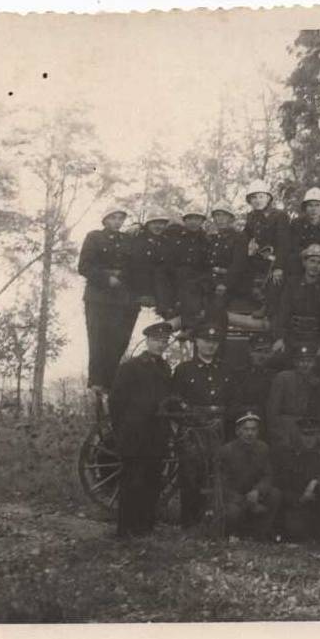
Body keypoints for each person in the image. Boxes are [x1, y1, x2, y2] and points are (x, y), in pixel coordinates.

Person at [109, 322, 174, 538]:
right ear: (147, 341)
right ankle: (125, 529)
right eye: (156, 340)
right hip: (135, 435)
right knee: (132, 481)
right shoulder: (131, 367)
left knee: (152, 480)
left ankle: (145, 526)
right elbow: (116, 403)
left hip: (157, 434)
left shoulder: (165, 368)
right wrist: (122, 432)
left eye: (164, 341)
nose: (160, 345)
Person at [171, 323, 235, 528]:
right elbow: (174, 400)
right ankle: (189, 523)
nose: (210, 345)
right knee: (191, 475)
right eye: (206, 341)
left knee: (218, 474)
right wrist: (188, 421)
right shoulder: (183, 370)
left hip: (219, 428)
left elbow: (233, 400)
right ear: (196, 342)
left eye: (214, 342)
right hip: (193, 430)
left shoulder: (225, 369)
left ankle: (216, 521)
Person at [78, 206, 139, 393]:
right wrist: (106, 278)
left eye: (121, 218)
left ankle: (110, 382)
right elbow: (84, 266)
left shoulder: (128, 239)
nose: (117, 222)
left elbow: (135, 264)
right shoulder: (94, 237)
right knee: (98, 339)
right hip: (99, 297)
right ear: (105, 220)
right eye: (113, 218)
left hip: (122, 298)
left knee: (120, 341)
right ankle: (97, 382)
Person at [209, 410, 281, 540]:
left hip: (254, 495)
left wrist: (258, 490)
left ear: (258, 431)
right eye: (246, 429)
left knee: (275, 494)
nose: (250, 433)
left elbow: (268, 475)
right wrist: (245, 501)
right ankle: (234, 533)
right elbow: (221, 484)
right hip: (233, 498)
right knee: (233, 512)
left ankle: (259, 533)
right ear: (238, 431)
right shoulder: (226, 451)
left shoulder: (263, 448)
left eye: (253, 429)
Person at [272, 417, 320, 541]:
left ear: (319, 435)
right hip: (298, 503)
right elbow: (281, 485)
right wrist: (300, 499)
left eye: (312, 434)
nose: (308, 439)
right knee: (295, 531)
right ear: (298, 435)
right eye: (305, 434)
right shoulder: (289, 454)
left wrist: (317, 482)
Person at [272, 243, 320, 354]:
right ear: (304, 263)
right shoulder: (292, 284)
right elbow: (283, 313)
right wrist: (280, 338)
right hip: (292, 338)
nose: (315, 266)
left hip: (316, 340)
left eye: (319, 263)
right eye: (312, 261)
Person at [242, 180, 291, 312]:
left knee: (276, 283)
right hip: (258, 259)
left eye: (261, 196)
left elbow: (284, 244)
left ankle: (269, 310)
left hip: (275, 260)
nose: (257, 200)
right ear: (249, 200)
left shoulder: (279, 216)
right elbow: (244, 238)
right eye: (253, 197)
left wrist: (279, 267)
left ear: (268, 198)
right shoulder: (251, 217)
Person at [267, 343, 320, 448]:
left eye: (309, 361)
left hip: (307, 430)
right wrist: (277, 434)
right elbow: (272, 410)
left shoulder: (316, 382)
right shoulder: (283, 378)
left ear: (314, 363)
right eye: (301, 361)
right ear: (295, 362)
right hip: (285, 429)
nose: (305, 365)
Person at [166, 204, 211, 328]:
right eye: (190, 218)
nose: (193, 222)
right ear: (184, 220)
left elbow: (207, 265)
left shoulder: (206, 240)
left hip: (196, 281)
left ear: (202, 221)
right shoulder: (174, 234)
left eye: (197, 219)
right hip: (175, 277)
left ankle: (190, 328)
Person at [127, 207, 175, 320]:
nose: (158, 226)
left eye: (162, 223)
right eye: (154, 223)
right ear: (148, 224)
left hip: (160, 295)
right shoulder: (136, 238)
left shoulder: (167, 241)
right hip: (136, 292)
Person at [206, 200, 247, 323]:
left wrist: (225, 284)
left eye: (224, 215)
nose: (221, 219)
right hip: (212, 280)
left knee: (216, 309)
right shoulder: (212, 238)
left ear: (231, 218)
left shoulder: (239, 237)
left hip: (231, 283)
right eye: (217, 215)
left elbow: (238, 265)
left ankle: (216, 339)